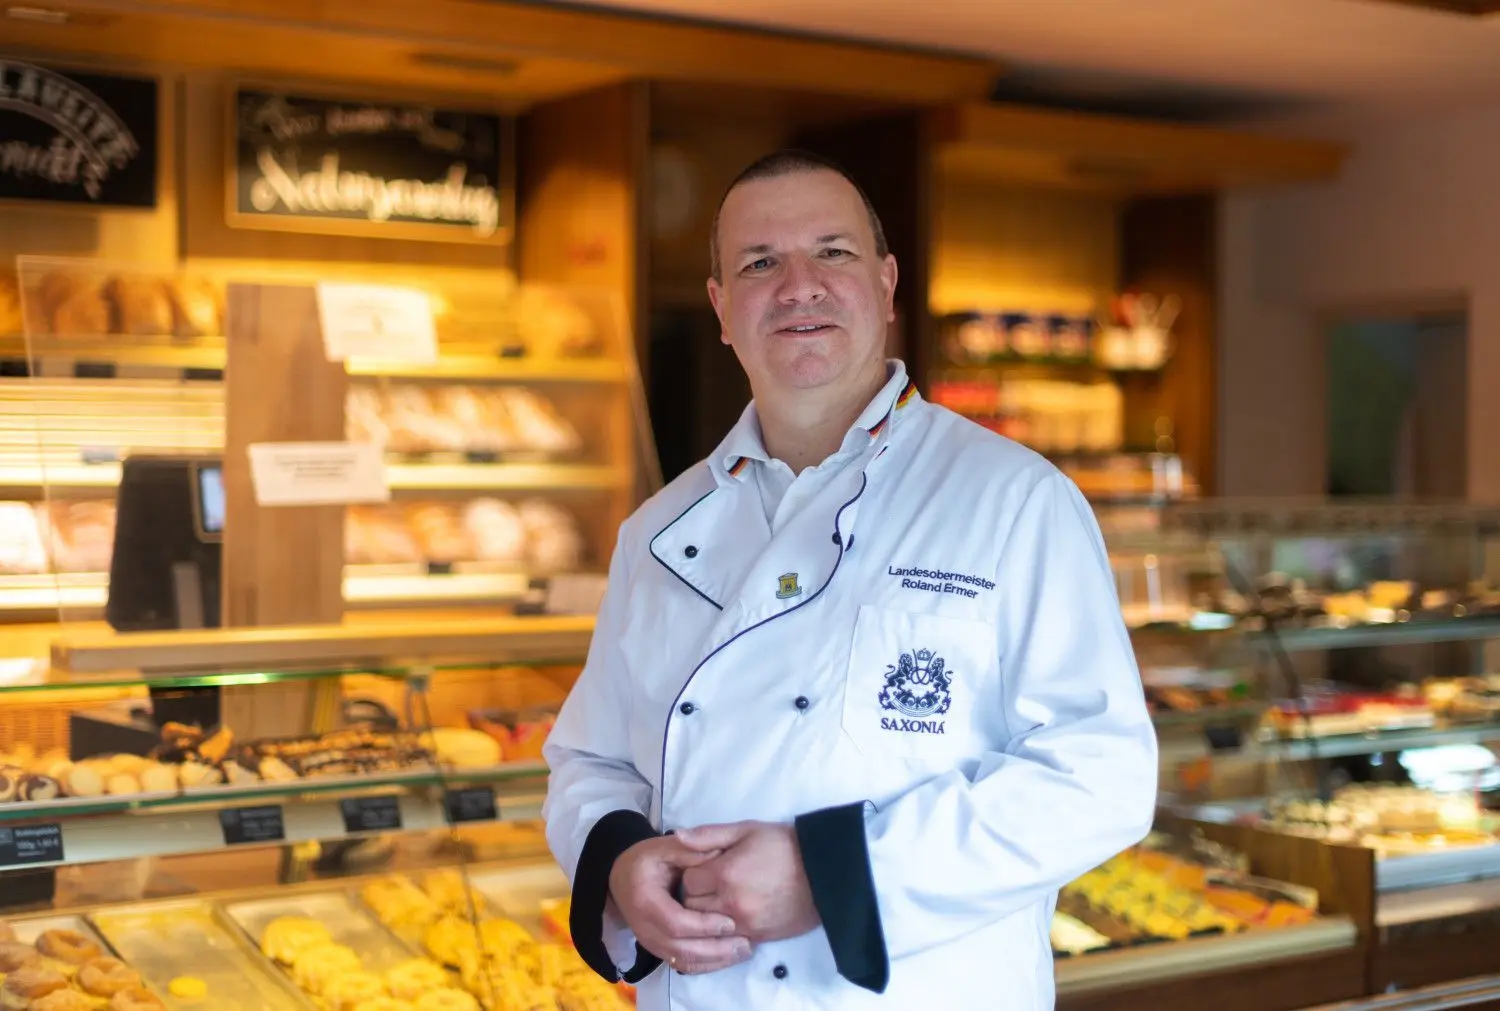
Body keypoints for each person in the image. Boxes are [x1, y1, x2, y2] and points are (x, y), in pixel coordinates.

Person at [541, 149, 1158, 1010]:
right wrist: (619, 862)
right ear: (722, 309)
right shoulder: (656, 531)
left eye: (831, 252)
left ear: (887, 282)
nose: (798, 285)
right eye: (759, 263)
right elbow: (590, 758)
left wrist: (833, 876)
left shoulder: (1015, 500)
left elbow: (1098, 774)